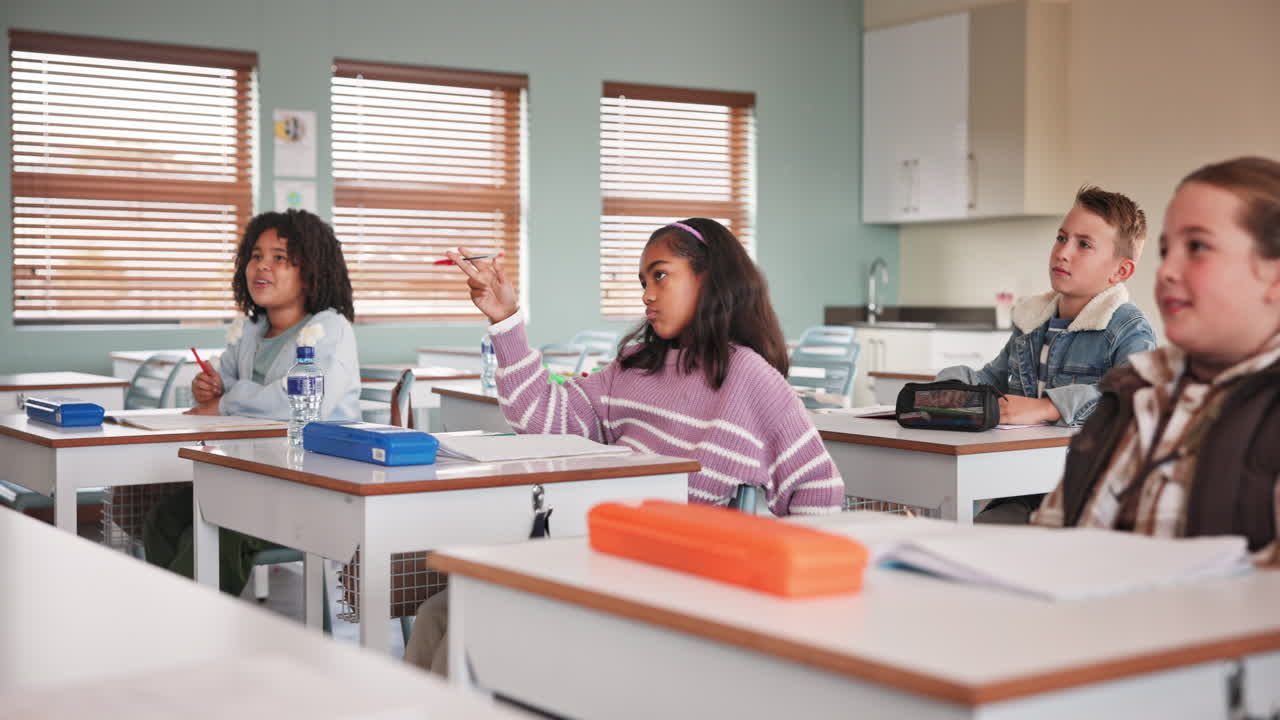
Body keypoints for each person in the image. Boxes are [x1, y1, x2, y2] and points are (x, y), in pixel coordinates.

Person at [405, 218, 844, 675]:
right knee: (442, 610)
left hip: (672, 580)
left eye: (660, 275)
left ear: (709, 278)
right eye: (643, 281)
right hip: (606, 555)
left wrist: (777, 597)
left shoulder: (748, 377)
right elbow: (544, 416)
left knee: (477, 617)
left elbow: (818, 487)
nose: (647, 294)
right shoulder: (635, 367)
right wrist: (506, 321)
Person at [1034, 157, 1280, 567]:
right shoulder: (1132, 393)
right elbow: (1054, 538)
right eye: (1166, 250)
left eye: (1197, 247)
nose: (1165, 270)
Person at [142, 209, 361, 595]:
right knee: (165, 517)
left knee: (220, 525)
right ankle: (176, 614)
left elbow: (296, 402)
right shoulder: (253, 329)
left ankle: (187, 626)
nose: (262, 266)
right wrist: (209, 388)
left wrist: (224, 403)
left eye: (280, 258)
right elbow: (223, 382)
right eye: (256, 255)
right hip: (254, 479)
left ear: (312, 269)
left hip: (313, 488)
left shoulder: (329, 329)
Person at [936, 186, 1158, 523]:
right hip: (1024, 487)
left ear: (1120, 271)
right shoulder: (1032, 321)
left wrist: (1048, 406)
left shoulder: (1127, 327)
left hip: (1090, 496)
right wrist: (949, 386)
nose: (1063, 252)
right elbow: (992, 379)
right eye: (1061, 237)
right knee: (979, 531)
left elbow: (1135, 400)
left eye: (1084, 244)